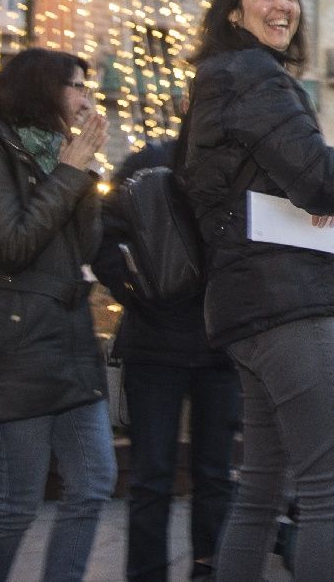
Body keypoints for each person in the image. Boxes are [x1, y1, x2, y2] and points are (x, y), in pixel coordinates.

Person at [178, 0, 334, 582]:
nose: (284, 6)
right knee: (330, 489)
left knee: (261, 488)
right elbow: (321, 177)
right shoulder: (254, 76)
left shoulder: (219, 79)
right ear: (234, 10)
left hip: (245, 305)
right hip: (286, 302)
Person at [0, 47, 115, 582]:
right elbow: (12, 245)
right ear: (42, 88)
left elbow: (81, 250)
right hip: (11, 342)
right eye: (76, 85)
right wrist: (69, 171)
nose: (86, 97)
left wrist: (79, 174)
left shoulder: (59, 155)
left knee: (93, 482)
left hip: (65, 336)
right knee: (16, 501)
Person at [93, 136, 241, 582]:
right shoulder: (153, 160)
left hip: (211, 343)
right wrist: (138, 295)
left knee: (184, 474)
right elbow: (105, 238)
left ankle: (197, 569)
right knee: (167, 475)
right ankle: (174, 570)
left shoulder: (231, 160)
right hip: (164, 343)